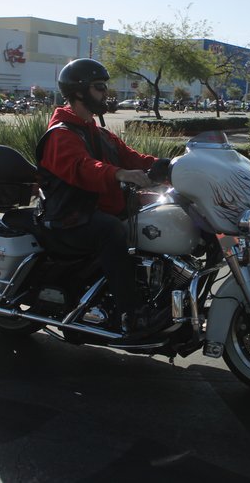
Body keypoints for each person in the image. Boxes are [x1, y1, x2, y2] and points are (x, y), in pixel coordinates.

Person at [34, 58, 170, 336]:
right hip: (69, 218)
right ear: (79, 92)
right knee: (110, 231)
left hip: (92, 211)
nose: (105, 93)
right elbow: (82, 168)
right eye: (99, 87)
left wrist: (172, 166)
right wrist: (120, 174)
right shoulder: (60, 135)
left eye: (104, 87)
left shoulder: (99, 133)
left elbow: (133, 157)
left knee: (157, 218)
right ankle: (131, 314)